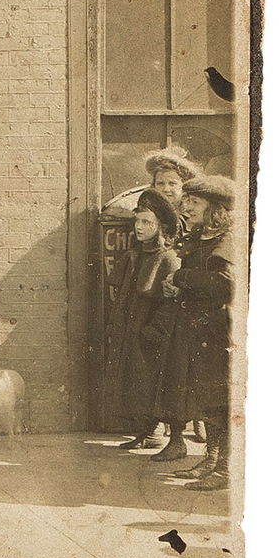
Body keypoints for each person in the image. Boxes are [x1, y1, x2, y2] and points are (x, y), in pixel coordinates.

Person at [152, 175, 236, 491]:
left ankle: (226, 469)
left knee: (222, 399)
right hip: (199, 330)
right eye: (186, 201)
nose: (185, 207)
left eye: (194, 202)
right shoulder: (202, 237)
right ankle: (211, 462)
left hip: (218, 332)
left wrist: (182, 277)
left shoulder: (226, 241)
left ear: (215, 208)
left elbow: (225, 285)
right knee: (208, 398)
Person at [105, 190, 181, 450]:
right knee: (134, 380)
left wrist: (153, 331)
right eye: (137, 221)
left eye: (147, 222)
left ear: (161, 226)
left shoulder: (167, 259)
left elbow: (172, 303)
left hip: (152, 332)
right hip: (132, 328)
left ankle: (156, 431)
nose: (139, 227)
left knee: (152, 380)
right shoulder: (136, 255)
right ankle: (144, 430)